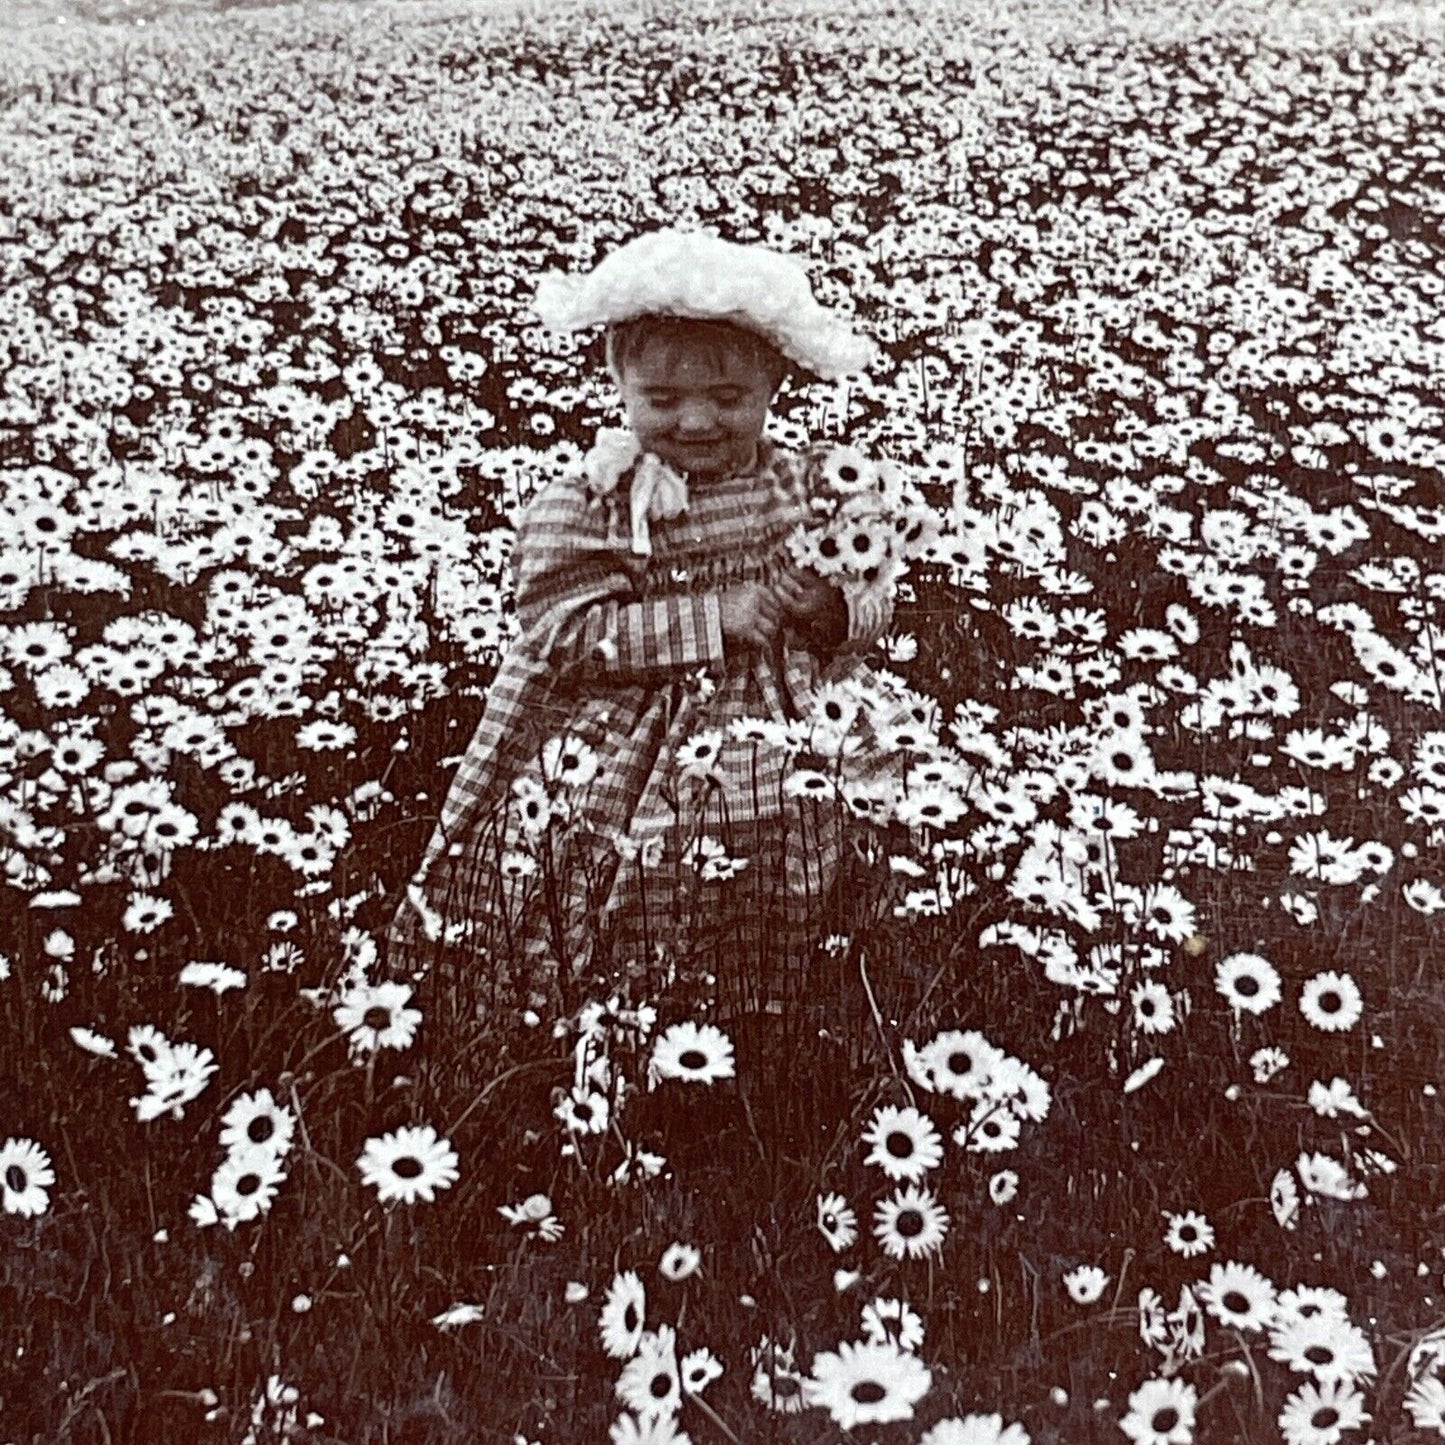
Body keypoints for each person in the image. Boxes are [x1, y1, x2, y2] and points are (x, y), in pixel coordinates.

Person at [383, 229, 902, 1020]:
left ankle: (782, 1004)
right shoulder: (603, 501)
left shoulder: (810, 485)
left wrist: (830, 609)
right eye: (662, 400)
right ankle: (625, 1006)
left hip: (798, 711)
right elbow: (560, 633)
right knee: (632, 860)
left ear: (775, 385)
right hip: (640, 725)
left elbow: (876, 584)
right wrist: (709, 620)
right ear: (619, 384)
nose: (697, 421)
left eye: (729, 399)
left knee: (818, 828)